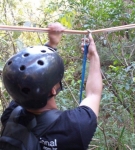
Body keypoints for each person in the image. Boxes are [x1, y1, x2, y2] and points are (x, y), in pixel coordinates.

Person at [0, 22, 103, 150]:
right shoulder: (74, 127)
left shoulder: (10, 115)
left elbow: (25, 81)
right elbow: (93, 93)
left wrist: (51, 45)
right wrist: (93, 56)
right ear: (53, 90)